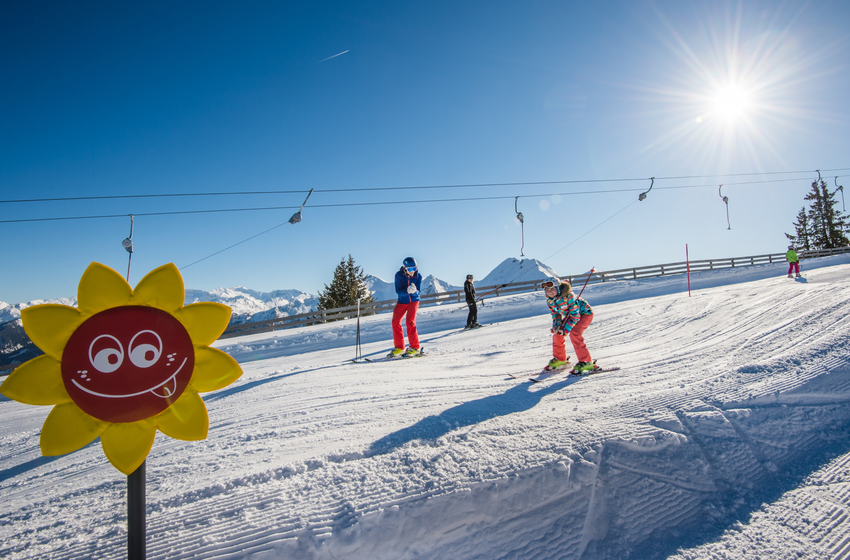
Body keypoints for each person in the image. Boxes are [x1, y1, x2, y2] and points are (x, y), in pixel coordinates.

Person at [542, 279, 596, 373]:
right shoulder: (550, 301)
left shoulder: (569, 296)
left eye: (552, 289)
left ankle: (586, 362)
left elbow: (575, 315)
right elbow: (556, 315)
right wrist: (556, 326)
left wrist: (565, 329)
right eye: (547, 290)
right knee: (557, 333)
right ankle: (560, 359)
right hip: (570, 316)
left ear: (558, 288)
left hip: (584, 314)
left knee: (575, 333)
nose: (550, 292)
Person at [390, 257, 423, 357]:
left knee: (410, 322)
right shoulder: (398, 275)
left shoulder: (418, 276)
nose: (412, 272)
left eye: (414, 269)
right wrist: (406, 291)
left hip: (413, 301)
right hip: (402, 301)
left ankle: (415, 347)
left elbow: (419, 292)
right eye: (410, 269)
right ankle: (400, 348)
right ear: (405, 268)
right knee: (395, 322)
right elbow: (398, 291)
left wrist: (414, 291)